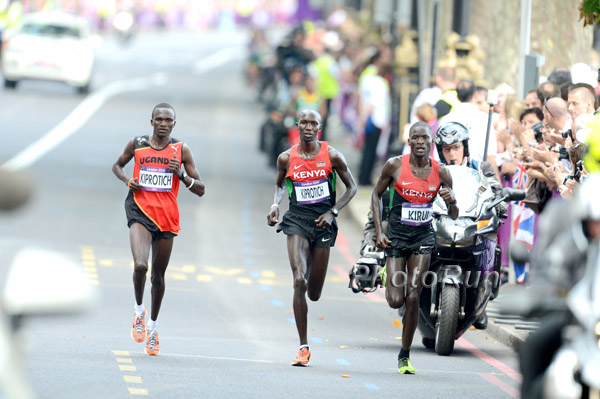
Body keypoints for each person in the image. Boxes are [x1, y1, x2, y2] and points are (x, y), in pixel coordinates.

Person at [112, 103, 206, 356]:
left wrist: (182, 176)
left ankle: (153, 329)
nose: (163, 123)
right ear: (151, 121)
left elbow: (201, 189)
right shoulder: (138, 144)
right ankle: (138, 310)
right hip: (139, 211)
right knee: (141, 265)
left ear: (174, 124)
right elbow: (117, 166)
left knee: (158, 277)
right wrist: (127, 180)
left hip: (166, 218)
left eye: (168, 120)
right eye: (159, 119)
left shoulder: (181, 150)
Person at [267, 109, 357, 366]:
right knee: (299, 281)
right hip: (296, 220)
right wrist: (275, 204)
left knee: (314, 292)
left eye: (313, 123)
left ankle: (309, 296)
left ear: (320, 127)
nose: (308, 126)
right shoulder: (286, 158)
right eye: (303, 122)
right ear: (297, 125)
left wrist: (334, 211)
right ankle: (303, 346)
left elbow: (352, 187)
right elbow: (280, 184)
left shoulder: (332, 156)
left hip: (323, 223)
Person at [371, 122, 458, 374]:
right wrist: (379, 231)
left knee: (413, 296)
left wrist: (452, 202)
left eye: (425, 139)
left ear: (432, 144)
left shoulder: (441, 172)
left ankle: (404, 355)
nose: (420, 142)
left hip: (422, 238)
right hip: (396, 237)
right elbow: (375, 195)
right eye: (415, 138)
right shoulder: (394, 165)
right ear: (409, 142)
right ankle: (388, 273)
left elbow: (453, 213)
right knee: (395, 299)